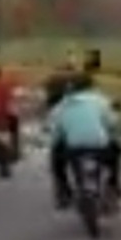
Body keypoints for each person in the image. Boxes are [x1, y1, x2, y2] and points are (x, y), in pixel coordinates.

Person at [47, 75, 119, 205]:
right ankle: (112, 184)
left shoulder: (61, 106)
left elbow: (56, 132)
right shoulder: (101, 101)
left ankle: (64, 190)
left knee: (56, 157)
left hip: (74, 149)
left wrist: (56, 141)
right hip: (100, 147)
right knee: (114, 152)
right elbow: (112, 123)